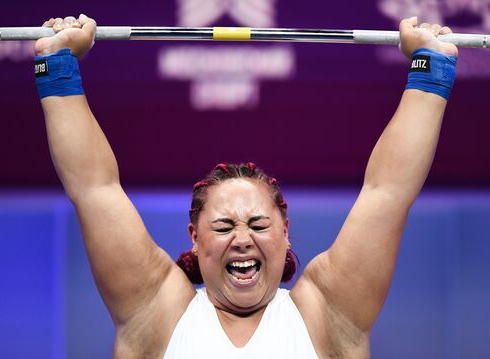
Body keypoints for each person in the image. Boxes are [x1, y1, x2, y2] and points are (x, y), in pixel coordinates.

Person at [34, 14, 458, 358]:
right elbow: (95, 189)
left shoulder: (326, 314)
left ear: (285, 230)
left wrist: (431, 65)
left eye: (258, 224)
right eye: (223, 228)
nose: (242, 239)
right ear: (195, 239)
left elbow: (387, 192)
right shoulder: (158, 312)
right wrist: (56, 64)